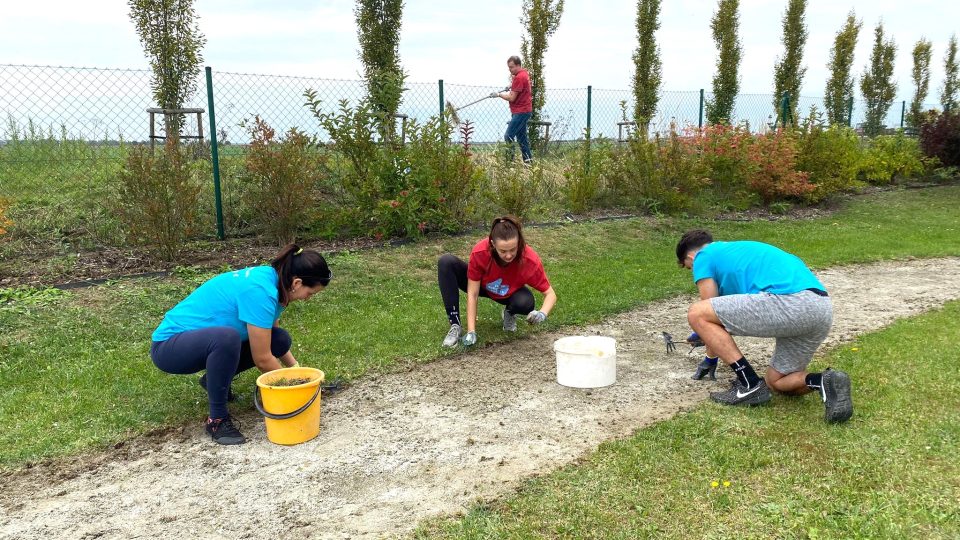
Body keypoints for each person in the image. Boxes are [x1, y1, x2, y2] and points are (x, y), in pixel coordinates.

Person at [150, 244, 332, 445]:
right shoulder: (261, 291)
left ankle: (214, 381)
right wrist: (292, 388)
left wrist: (299, 373)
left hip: (203, 342)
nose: (308, 299)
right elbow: (262, 359)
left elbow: (271, 337)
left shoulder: (277, 283)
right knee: (226, 338)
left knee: (279, 339)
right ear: (297, 283)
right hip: (169, 348)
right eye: (311, 293)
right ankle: (216, 420)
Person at [676, 229, 853, 423]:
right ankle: (824, 381)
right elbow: (717, 318)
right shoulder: (739, 252)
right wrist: (708, 344)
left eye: (689, 268)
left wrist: (709, 356)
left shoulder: (703, 256)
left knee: (696, 312)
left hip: (790, 302)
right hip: (821, 308)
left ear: (690, 257)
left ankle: (749, 384)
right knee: (776, 381)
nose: (694, 273)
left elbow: (706, 308)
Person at [437, 215, 556, 347]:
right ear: (493, 244)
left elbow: (550, 294)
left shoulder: (529, 260)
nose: (509, 255)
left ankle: (509, 313)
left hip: (507, 291)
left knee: (526, 303)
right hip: (481, 285)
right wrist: (472, 331)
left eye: (513, 249)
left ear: (519, 243)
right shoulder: (480, 252)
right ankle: (455, 326)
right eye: (503, 251)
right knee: (446, 261)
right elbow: (473, 294)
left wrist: (542, 314)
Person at [494, 55, 533, 164]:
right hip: (524, 110)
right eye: (509, 67)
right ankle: (528, 163)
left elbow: (511, 97)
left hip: (521, 112)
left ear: (518, 65)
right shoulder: (524, 74)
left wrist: (498, 94)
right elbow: (519, 87)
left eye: (511, 67)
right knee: (522, 139)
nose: (510, 70)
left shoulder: (519, 77)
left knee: (508, 135)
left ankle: (509, 163)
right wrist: (511, 86)